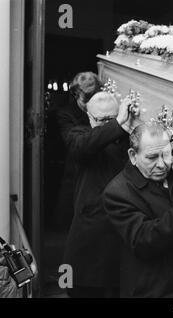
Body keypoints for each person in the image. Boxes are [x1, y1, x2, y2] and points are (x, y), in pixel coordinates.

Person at [103, 123, 173, 298]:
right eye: (152, 157)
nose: (162, 164)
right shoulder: (117, 192)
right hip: (155, 290)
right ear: (133, 156)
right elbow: (142, 240)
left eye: (166, 154)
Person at [63, 92, 138, 298]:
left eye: (110, 119)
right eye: (100, 120)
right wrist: (117, 124)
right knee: (74, 285)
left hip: (121, 231)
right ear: (89, 117)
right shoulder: (79, 134)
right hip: (89, 232)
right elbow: (83, 147)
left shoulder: (128, 140)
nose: (106, 123)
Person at [54, 72, 102, 230]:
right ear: (75, 94)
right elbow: (77, 144)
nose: (90, 103)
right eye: (86, 99)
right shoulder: (65, 113)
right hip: (75, 170)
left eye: (94, 97)